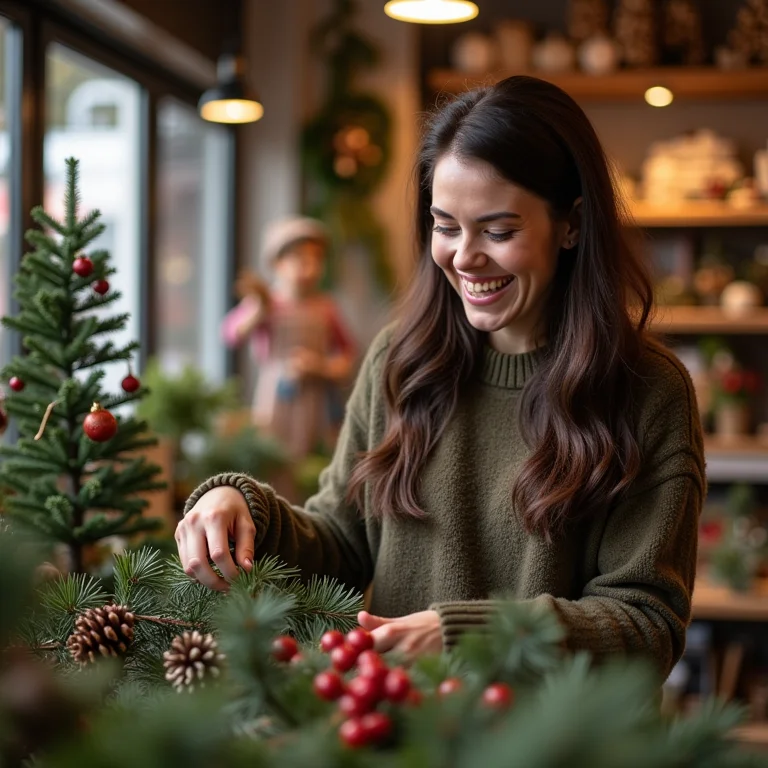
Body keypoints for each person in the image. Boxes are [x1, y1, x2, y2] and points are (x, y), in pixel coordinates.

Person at [177, 76, 705, 677]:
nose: (464, 256)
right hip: (403, 736)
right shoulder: (398, 361)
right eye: (445, 226)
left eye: (499, 231)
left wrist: (467, 634)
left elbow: (646, 624)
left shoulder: (647, 390)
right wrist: (244, 508)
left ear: (572, 225)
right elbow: (343, 543)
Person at [221, 217, 356, 459]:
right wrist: (258, 312)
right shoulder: (266, 303)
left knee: (314, 456)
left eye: (317, 259)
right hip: (275, 397)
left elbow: (347, 354)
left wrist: (322, 366)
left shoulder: (325, 308)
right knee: (274, 453)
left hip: (316, 398)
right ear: (278, 264)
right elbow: (232, 335)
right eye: (302, 259)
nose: (311, 267)